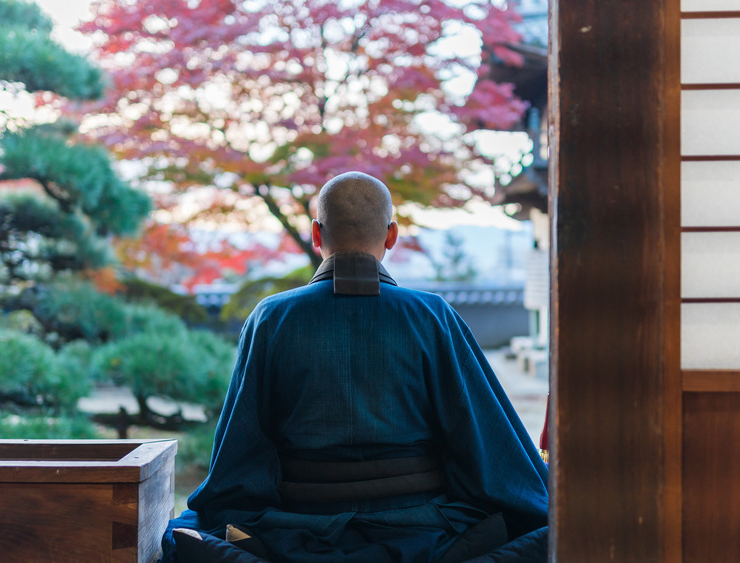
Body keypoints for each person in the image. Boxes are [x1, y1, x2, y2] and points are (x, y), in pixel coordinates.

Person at [161, 172, 549, 562]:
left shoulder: (271, 318)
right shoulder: (431, 316)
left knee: (184, 533)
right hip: (423, 529)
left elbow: (239, 456)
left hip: (294, 527)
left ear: (316, 234)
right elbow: (484, 439)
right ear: (391, 235)